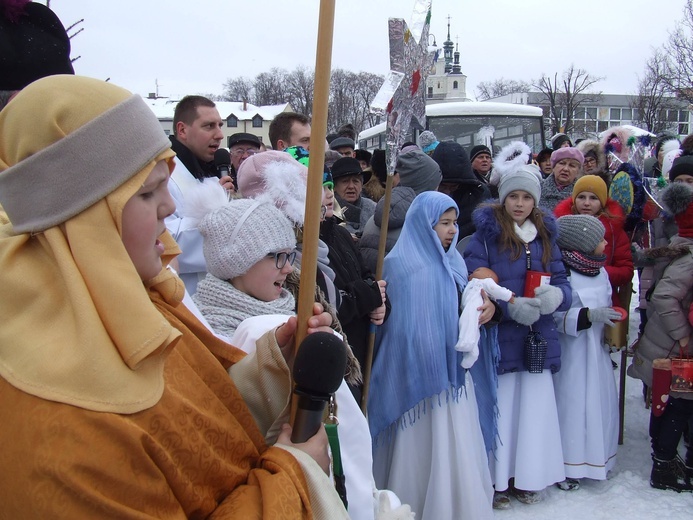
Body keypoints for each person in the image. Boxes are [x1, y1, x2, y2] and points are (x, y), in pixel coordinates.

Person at [0, 74, 347, 518]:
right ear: (81, 218)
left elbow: (192, 422)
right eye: (146, 192)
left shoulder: (134, 302)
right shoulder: (57, 427)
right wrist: (296, 475)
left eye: (165, 183)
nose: (169, 206)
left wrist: (269, 367)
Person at [368, 191, 495, 520]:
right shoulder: (399, 266)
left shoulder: (454, 262)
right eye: (444, 223)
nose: (452, 230)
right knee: (419, 447)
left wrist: (479, 307)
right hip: (414, 372)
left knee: (452, 444)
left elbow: (457, 305)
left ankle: (452, 504)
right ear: (424, 224)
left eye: (454, 223)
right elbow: (397, 326)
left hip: (450, 373)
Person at [464, 166, 571, 509]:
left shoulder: (545, 236)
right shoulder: (485, 237)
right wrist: (510, 307)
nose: (520, 203)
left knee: (532, 412)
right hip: (502, 340)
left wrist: (556, 298)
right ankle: (496, 480)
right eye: (513, 196)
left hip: (537, 337)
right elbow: (475, 284)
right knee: (504, 412)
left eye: (527, 197)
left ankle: (528, 476)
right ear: (503, 198)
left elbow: (562, 283)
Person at [628, 182, 693, 492]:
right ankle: (664, 467)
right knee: (678, 405)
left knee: (677, 404)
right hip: (679, 348)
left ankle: (672, 463)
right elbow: (665, 296)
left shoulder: (681, 248)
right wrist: (682, 336)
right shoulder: (689, 256)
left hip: (676, 346)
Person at [552, 215, 620, 490]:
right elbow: (555, 314)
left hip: (596, 350)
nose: (605, 242)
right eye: (599, 238)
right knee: (572, 406)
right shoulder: (563, 272)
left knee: (598, 403)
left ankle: (598, 457)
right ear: (582, 243)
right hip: (573, 352)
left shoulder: (599, 269)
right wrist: (587, 316)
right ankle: (568, 463)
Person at [165, 95, 234, 294]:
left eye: (220, 125)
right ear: (182, 130)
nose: (220, 134)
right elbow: (164, 240)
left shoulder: (213, 176)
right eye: (209, 126)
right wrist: (223, 218)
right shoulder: (165, 176)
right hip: (184, 293)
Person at [554, 175, 634, 308]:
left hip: (602, 297)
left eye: (593, 198)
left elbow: (626, 270)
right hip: (568, 298)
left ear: (602, 201)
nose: (586, 203)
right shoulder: (561, 227)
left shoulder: (614, 230)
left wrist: (596, 272)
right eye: (581, 197)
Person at [359, 147, 442, 273]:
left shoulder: (376, 216)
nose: (439, 192)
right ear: (426, 188)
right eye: (436, 186)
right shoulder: (420, 227)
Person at [433, 141, 492, 238]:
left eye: (453, 186)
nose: (447, 191)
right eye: (443, 186)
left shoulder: (479, 194)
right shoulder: (427, 198)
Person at [331, 156, 376, 239]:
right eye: (345, 181)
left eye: (356, 181)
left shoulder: (373, 208)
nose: (351, 186)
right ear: (334, 187)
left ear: (361, 185)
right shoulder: (328, 210)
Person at [540, 147, 584, 212]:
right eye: (562, 163)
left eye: (572, 165)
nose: (566, 169)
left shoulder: (582, 193)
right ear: (553, 167)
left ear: (578, 171)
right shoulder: (538, 188)